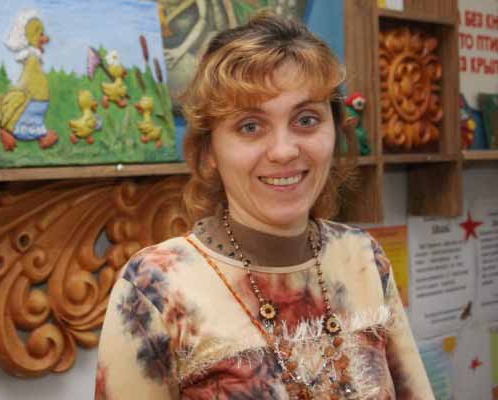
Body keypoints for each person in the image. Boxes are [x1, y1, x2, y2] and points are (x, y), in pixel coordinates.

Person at [95, 13, 434, 400]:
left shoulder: (364, 258)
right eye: (250, 126)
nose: (284, 151)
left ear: (334, 132)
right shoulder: (155, 287)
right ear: (209, 152)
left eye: (306, 119)